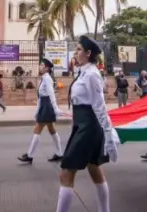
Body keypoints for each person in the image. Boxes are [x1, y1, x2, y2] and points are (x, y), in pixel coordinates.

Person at [55, 36, 118, 212]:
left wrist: (108, 135)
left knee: (66, 173)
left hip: (89, 127)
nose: (76, 52)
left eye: (79, 49)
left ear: (88, 53)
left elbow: (99, 106)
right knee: (94, 169)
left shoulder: (91, 74)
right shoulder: (83, 71)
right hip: (82, 126)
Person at [18, 59, 64, 164]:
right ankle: (59, 154)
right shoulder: (43, 78)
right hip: (44, 105)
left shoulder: (47, 79)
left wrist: (55, 108)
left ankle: (30, 155)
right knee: (51, 129)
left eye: (42, 65)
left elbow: (51, 94)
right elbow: (40, 97)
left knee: (38, 128)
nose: (39, 66)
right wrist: (37, 110)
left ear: (47, 68)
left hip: (47, 106)